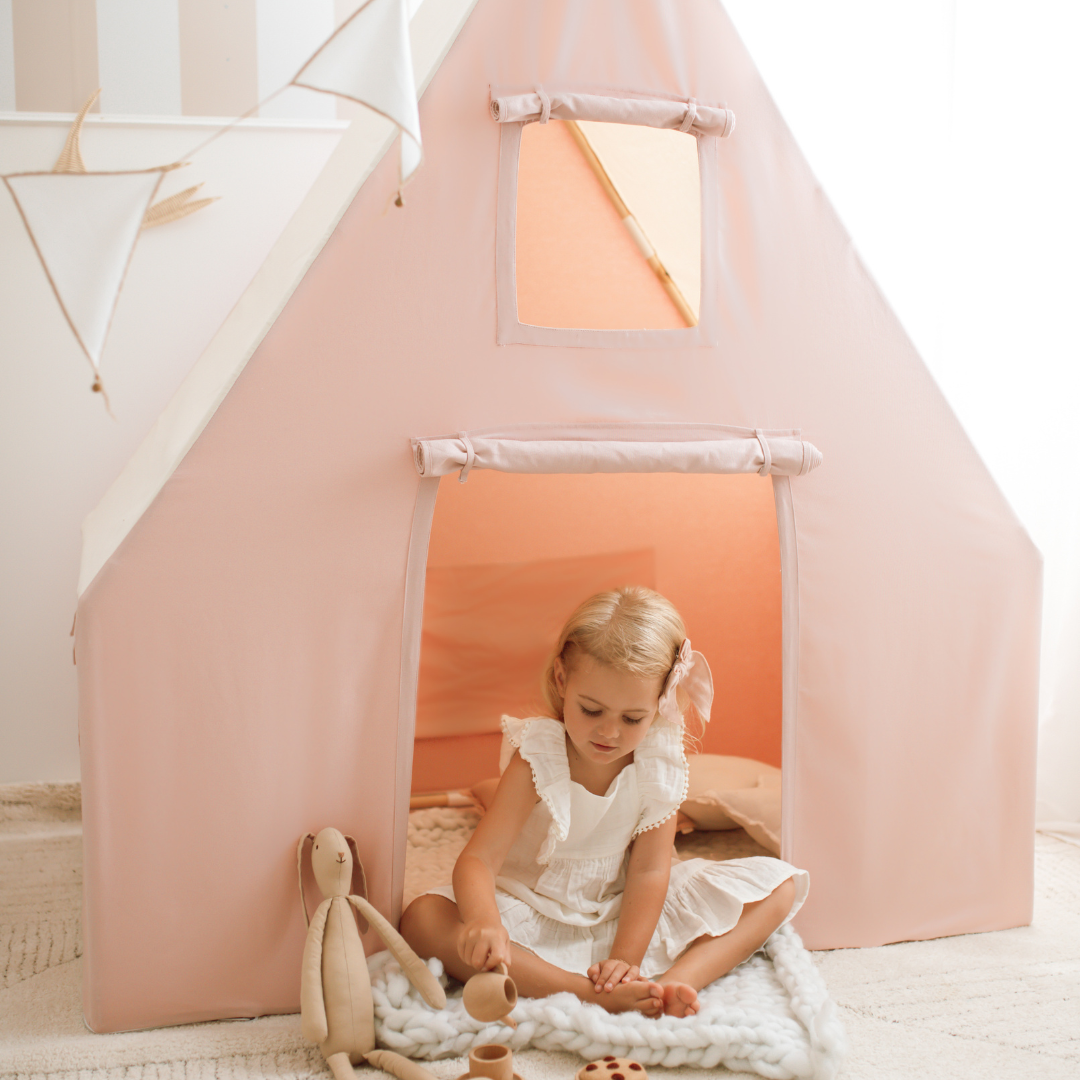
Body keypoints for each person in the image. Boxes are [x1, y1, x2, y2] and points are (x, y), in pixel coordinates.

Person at [400, 586, 808, 1017]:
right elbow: (479, 861)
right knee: (422, 918)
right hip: (530, 912)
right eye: (591, 710)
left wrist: (625, 961)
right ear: (562, 680)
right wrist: (484, 921)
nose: (609, 734)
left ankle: (667, 985)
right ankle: (583, 992)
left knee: (777, 887)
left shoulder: (659, 763)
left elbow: (651, 871)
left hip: (625, 909)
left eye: (633, 719)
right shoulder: (539, 755)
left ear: (659, 704)